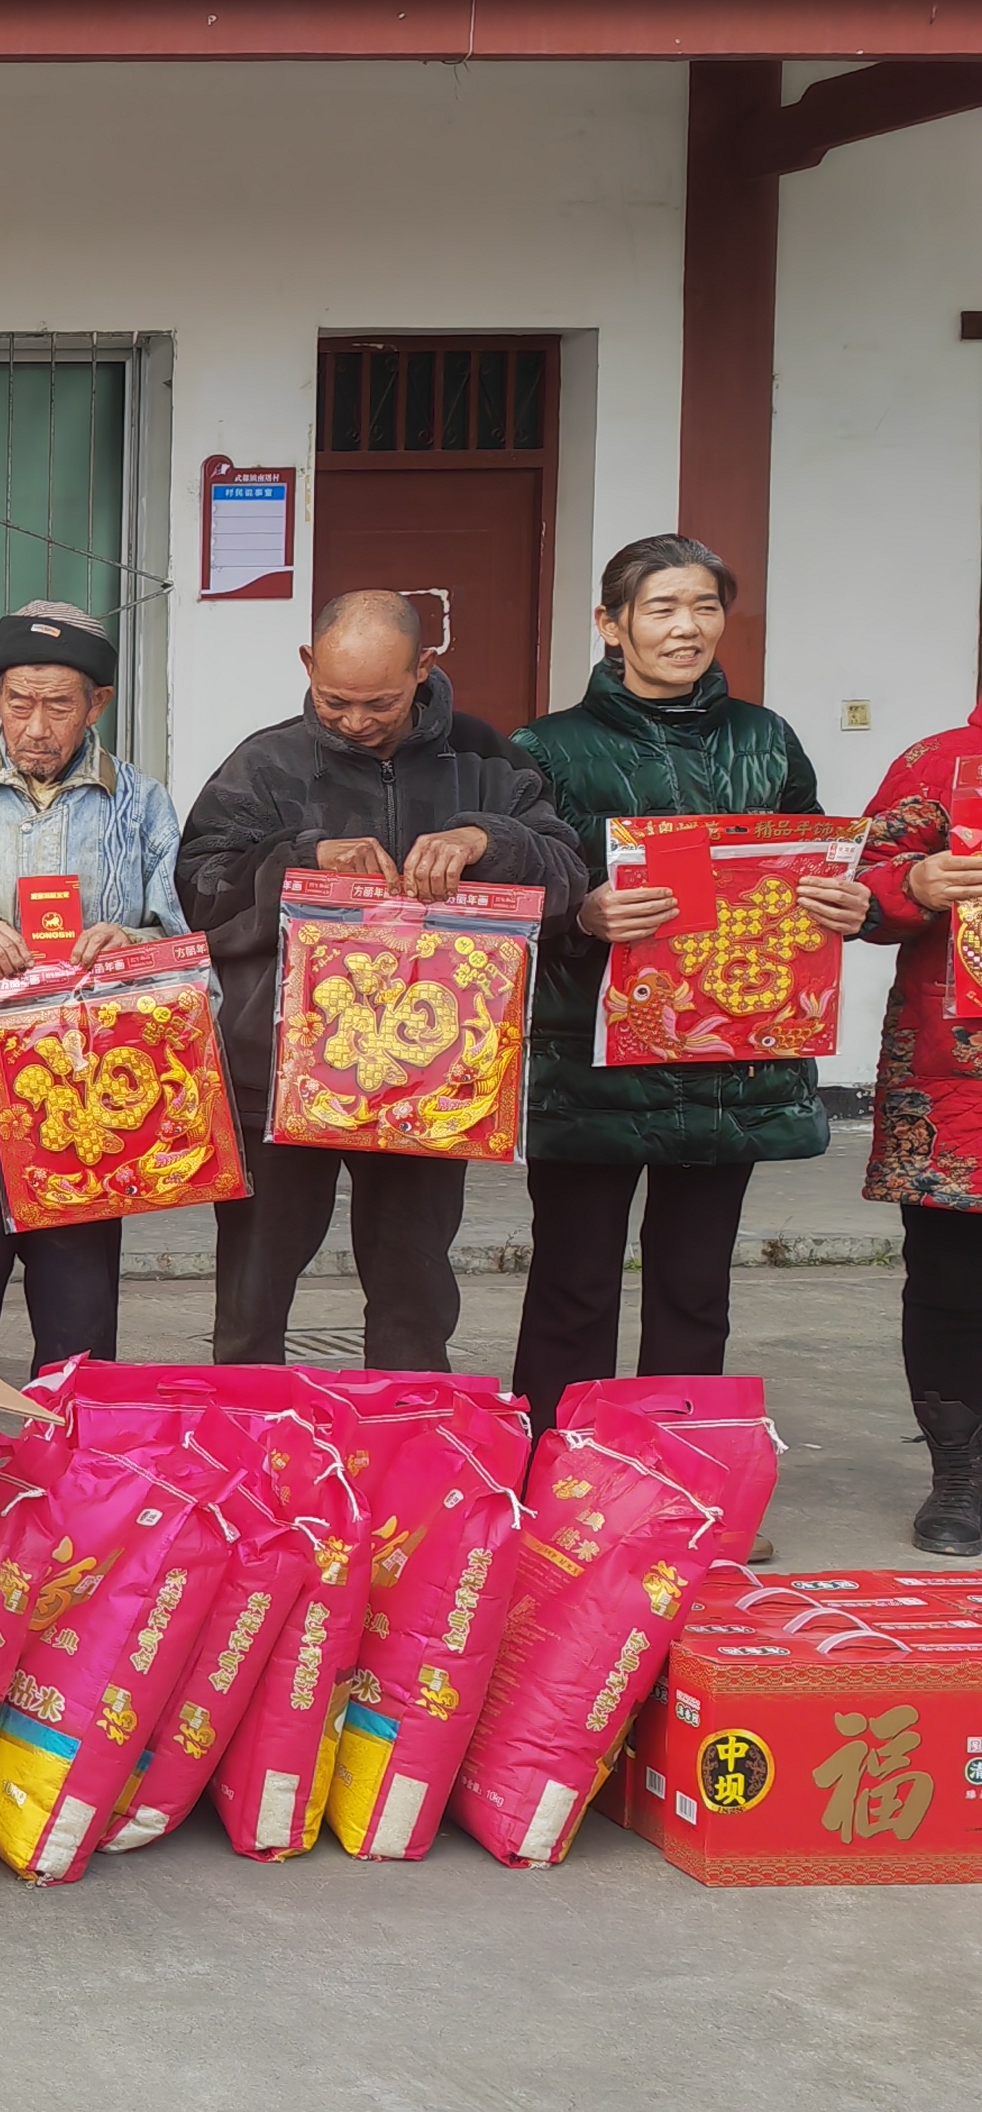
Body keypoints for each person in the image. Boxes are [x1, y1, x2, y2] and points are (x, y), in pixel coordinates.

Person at [508, 536, 869, 1433]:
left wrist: (840, 898)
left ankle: (674, 1472)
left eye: (705, 607)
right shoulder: (547, 748)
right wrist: (582, 914)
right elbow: (514, 895)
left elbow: (805, 857)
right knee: (573, 1283)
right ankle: (556, 1466)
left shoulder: (765, 738)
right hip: (591, 1062)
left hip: (731, 1061)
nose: (687, 627)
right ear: (611, 624)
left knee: (696, 1286)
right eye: (663, 608)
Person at [180, 588, 587, 1371]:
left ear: (423, 668)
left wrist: (487, 841)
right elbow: (200, 892)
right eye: (336, 702)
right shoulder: (263, 763)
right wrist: (305, 859)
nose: (356, 722)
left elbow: (568, 880)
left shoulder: (486, 759)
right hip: (280, 1069)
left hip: (433, 1073)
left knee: (414, 1292)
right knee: (253, 1294)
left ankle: (406, 1430)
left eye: (380, 703)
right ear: (308, 665)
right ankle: (250, 1434)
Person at [0, 603, 186, 1433]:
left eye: (59, 705)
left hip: (89, 1108)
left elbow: (180, 944)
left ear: (98, 704)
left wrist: (128, 947)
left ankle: (70, 1485)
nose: (35, 725)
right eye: (19, 701)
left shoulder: (141, 804)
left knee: (79, 1321)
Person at [850, 703, 982, 1553]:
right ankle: (961, 1477)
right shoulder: (944, 763)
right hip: (955, 1076)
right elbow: (847, 887)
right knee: (951, 1283)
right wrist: (914, 885)